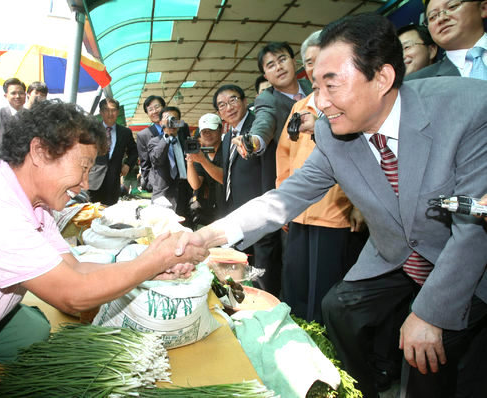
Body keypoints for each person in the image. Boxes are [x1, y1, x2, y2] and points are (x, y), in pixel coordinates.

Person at [181, 13, 487, 398]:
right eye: (316, 86)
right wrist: (208, 235)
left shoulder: (469, 110)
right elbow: (285, 198)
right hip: (395, 251)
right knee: (338, 308)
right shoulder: (332, 130)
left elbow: (472, 231)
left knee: (425, 360)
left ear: (383, 78)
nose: (320, 103)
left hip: (467, 260)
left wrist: (428, 314)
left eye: (332, 85)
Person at [0, 100, 207, 398]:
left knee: (33, 335)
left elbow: (76, 269)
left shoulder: (34, 204)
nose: (84, 183)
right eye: (82, 167)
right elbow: (73, 296)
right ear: (40, 151)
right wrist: (154, 260)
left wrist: (149, 264)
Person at [275, 29, 365, 324]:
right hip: (299, 209)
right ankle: (297, 336)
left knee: (326, 286)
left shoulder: (346, 104)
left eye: (321, 60)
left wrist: (357, 204)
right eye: (310, 63)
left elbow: (360, 157)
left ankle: (324, 346)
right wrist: (282, 202)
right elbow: (284, 156)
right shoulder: (299, 107)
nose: (315, 68)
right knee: (296, 282)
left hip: (334, 210)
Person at [216, 84, 282, 296]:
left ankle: (271, 308)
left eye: (233, 100)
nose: (229, 107)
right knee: (243, 270)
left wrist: (270, 210)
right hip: (237, 213)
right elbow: (228, 176)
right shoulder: (227, 137)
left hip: (259, 212)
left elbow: (268, 171)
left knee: (264, 272)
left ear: (245, 101)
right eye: (222, 105)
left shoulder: (259, 129)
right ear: (219, 113)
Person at [233, 41, 313, 159]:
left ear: (294, 62)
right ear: (266, 76)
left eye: (282, 60)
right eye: (271, 65)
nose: (279, 67)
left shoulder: (314, 86)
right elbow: (264, 123)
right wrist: (253, 141)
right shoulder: (267, 99)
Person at [406, 0, 487, 80]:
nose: (441, 18)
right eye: (432, 17)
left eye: (452, 6)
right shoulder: (418, 82)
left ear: (483, 8)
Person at [88, 98, 138, 206]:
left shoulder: (125, 132)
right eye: (106, 110)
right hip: (92, 183)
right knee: (90, 215)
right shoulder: (92, 130)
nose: (110, 114)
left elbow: (134, 151)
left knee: (109, 217)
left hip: (113, 183)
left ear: (118, 112)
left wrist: (128, 165)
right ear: (101, 112)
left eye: (113, 110)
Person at [147, 106, 189, 214]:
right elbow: (156, 160)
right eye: (168, 118)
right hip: (163, 196)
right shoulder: (154, 142)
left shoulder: (186, 142)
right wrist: (167, 136)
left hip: (184, 195)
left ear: (179, 122)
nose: (172, 122)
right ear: (161, 122)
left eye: (174, 119)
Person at [186, 113, 224, 228]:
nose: (207, 134)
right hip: (207, 211)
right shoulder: (201, 154)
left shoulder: (228, 150)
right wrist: (190, 162)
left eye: (211, 130)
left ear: (220, 130)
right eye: (204, 131)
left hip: (227, 210)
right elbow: (195, 184)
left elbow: (225, 179)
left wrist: (202, 160)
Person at [136, 95, 166, 192]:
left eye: (157, 107)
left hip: (182, 183)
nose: (154, 111)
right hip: (159, 186)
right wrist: (151, 185)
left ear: (164, 108)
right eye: (150, 109)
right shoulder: (143, 136)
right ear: (148, 113)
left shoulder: (180, 128)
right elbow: (145, 165)